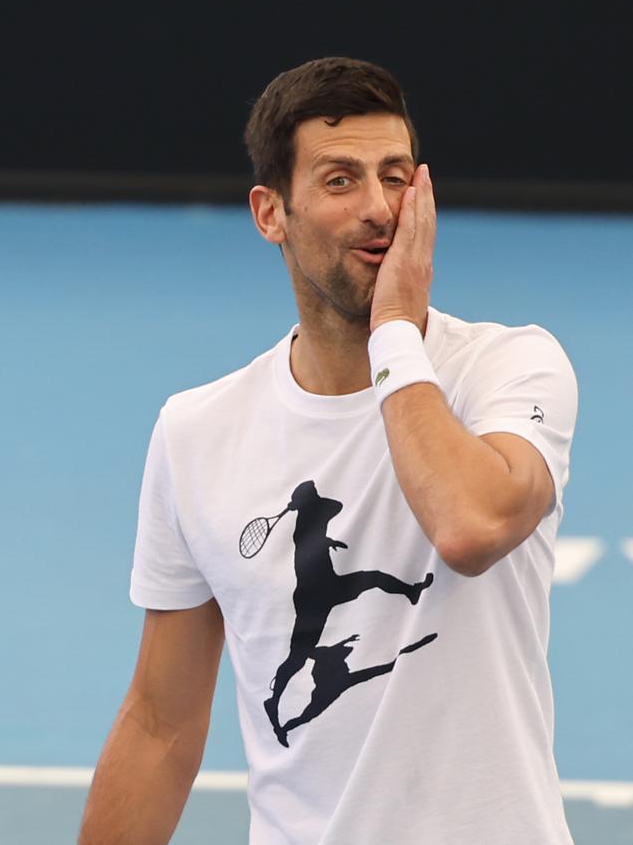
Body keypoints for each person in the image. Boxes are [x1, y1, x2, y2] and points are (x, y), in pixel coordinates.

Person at [78, 57, 578, 844]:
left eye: (396, 176)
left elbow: (468, 526)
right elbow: (159, 726)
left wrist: (394, 334)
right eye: (340, 180)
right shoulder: (197, 430)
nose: (380, 208)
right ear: (270, 213)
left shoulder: (508, 367)